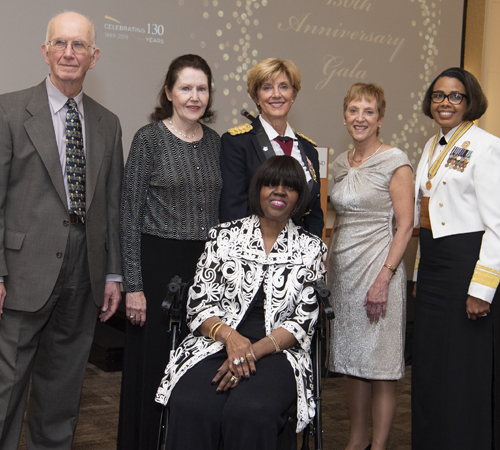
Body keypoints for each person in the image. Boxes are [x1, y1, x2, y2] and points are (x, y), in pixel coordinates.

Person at [0, 12, 123, 449]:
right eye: (61, 44)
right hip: (20, 273)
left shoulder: (108, 123)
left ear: (94, 57)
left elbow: (112, 206)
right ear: (45, 51)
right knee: (5, 390)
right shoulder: (9, 110)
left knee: (61, 394)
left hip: (83, 275)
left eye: (79, 46)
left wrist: (113, 274)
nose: (69, 53)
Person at [155, 155, 326, 450]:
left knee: (251, 410)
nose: (279, 191)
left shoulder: (311, 249)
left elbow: (302, 322)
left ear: (299, 198)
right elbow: (198, 304)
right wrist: (232, 339)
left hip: (277, 351)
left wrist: (249, 353)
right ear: (258, 189)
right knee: (191, 404)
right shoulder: (223, 237)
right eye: (271, 184)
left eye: (290, 187)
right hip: (216, 342)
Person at [117, 54, 222, 449]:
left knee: (195, 372)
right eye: (185, 88)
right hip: (156, 268)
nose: (194, 96)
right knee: (153, 371)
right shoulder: (148, 139)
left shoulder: (216, 143)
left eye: (201, 88)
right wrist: (134, 285)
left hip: (204, 272)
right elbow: (128, 215)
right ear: (169, 92)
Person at [412, 67, 500, 450]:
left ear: (470, 101)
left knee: (463, 370)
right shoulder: (432, 145)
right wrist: (418, 273)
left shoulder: (487, 145)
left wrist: (482, 288)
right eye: (438, 95)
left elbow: (497, 226)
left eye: (455, 96)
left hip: (466, 266)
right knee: (432, 368)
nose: (445, 103)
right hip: (433, 265)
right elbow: (426, 214)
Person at [326, 83, 414, 450]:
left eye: (368, 111)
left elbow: (406, 225)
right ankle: (356, 439)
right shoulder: (339, 164)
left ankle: (378, 445)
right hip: (344, 272)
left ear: (380, 118)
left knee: (381, 366)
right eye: (353, 110)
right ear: (344, 115)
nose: (360, 118)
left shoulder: (396, 161)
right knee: (352, 361)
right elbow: (333, 218)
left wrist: (384, 278)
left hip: (381, 270)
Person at [219, 57, 323, 238]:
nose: (276, 94)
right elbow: (232, 211)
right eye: (267, 87)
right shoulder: (236, 143)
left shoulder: (309, 150)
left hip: (300, 257)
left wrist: (311, 254)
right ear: (256, 97)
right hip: (252, 255)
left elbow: (314, 213)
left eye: (284, 86)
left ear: (294, 95)